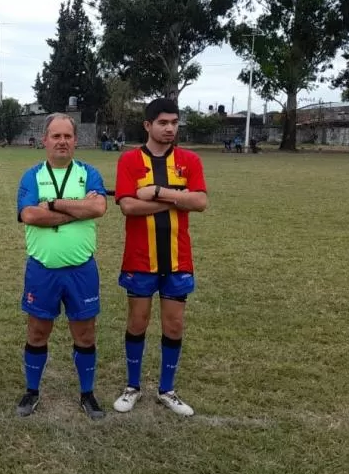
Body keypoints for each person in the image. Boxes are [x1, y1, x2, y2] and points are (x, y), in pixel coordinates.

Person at [113, 98, 208, 417]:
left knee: (174, 325)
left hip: (178, 259)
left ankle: (167, 389)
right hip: (140, 258)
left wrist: (156, 192)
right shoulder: (129, 161)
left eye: (174, 123)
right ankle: (133, 387)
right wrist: (178, 199)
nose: (170, 128)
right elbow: (128, 206)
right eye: (163, 123)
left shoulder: (190, 160)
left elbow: (201, 202)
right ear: (148, 125)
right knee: (137, 322)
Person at [15, 113, 108, 420]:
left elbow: (98, 207)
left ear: (75, 141)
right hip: (42, 269)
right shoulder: (31, 175)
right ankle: (31, 391)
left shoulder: (88, 172)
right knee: (37, 331)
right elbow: (29, 215)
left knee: (85, 334)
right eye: (56, 136)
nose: (62, 141)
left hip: (82, 270)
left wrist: (53, 204)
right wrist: (78, 209)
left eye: (67, 136)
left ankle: (87, 394)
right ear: (45, 140)